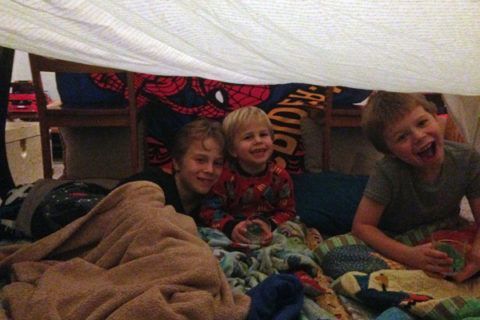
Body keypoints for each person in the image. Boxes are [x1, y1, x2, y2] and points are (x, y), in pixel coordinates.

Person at [351, 91, 480, 282]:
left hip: (445, 230)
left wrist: (476, 255)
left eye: (422, 123)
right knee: (334, 255)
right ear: (390, 152)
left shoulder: (467, 158)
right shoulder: (387, 170)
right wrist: (409, 255)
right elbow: (362, 226)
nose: (419, 136)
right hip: (398, 239)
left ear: (436, 118)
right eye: (402, 137)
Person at [200, 106, 296, 245]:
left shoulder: (280, 176)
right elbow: (208, 210)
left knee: (294, 230)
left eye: (263, 134)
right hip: (232, 231)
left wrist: (270, 225)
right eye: (248, 137)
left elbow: (288, 211)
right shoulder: (224, 176)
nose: (258, 141)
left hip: (271, 231)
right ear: (233, 150)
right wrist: (231, 227)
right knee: (207, 237)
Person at [118, 117, 225, 220]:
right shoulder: (148, 187)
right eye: (200, 160)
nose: (210, 170)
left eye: (218, 163)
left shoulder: (214, 201)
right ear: (177, 162)